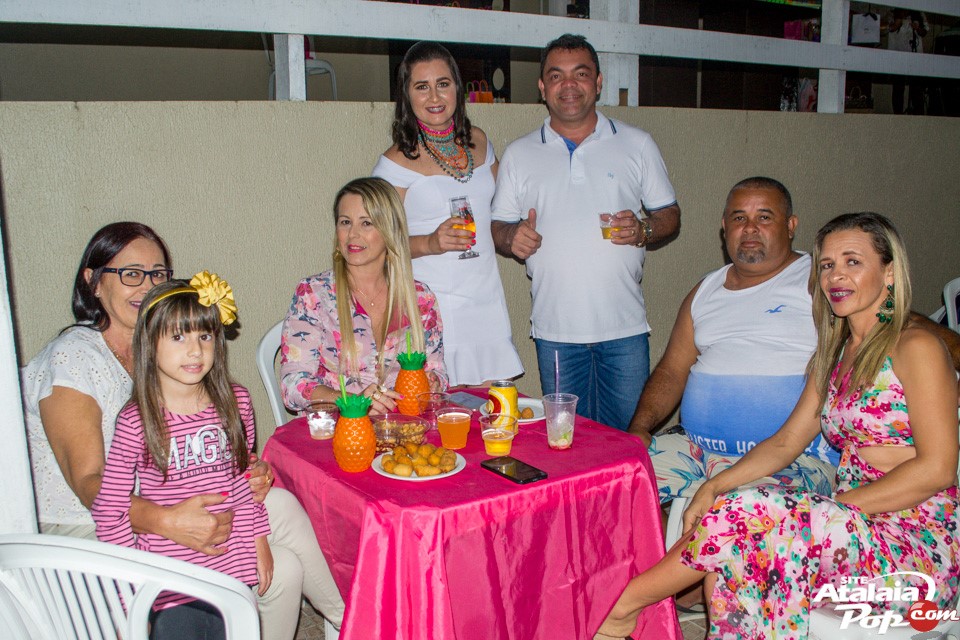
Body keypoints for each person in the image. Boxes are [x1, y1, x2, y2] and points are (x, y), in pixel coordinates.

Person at [600, 212, 960, 639]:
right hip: (850, 532)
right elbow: (786, 441)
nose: (835, 276)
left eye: (852, 261)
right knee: (740, 552)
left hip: (913, 549)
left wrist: (829, 509)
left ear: (890, 272)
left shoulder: (915, 346)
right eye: (827, 265)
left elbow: (937, 469)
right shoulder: (835, 356)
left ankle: (623, 606)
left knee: (754, 512)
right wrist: (713, 486)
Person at [21, 222, 343, 640]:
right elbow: (91, 485)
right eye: (131, 273)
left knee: (281, 536)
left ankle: (349, 621)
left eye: (157, 273)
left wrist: (248, 471)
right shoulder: (74, 358)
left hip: (176, 497)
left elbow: (209, 449)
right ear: (93, 282)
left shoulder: (182, 366)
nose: (146, 285)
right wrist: (166, 520)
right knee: (277, 550)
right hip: (84, 527)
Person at [491, 33, 680, 430]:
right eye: (556, 76)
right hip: (555, 332)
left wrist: (643, 228)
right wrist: (511, 238)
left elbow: (670, 215)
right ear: (542, 87)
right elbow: (498, 227)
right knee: (569, 443)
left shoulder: (637, 144)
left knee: (627, 439)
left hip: (625, 330)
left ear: (598, 82)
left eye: (580, 74)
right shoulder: (520, 153)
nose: (569, 85)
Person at [628, 177, 838, 503]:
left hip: (794, 460)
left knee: (740, 510)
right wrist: (639, 429)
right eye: (739, 217)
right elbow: (671, 371)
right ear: (725, 227)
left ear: (791, 226)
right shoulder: (705, 291)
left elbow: (887, 323)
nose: (750, 228)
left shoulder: (819, 279)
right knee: (612, 481)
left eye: (764, 217)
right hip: (697, 451)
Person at [93, 274, 271, 638]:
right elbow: (110, 510)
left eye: (204, 336)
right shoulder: (135, 422)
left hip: (232, 576)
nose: (195, 351)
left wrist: (260, 543)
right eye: (178, 337)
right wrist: (130, 595)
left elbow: (244, 485)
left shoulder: (236, 403)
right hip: (170, 587)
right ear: (150, 343)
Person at [372, 41, 523, 387]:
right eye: (421, 87)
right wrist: (430, 242)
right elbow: (375, 244)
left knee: (497, 412)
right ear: (406, 96)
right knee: (445, 411)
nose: (434, 96)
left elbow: (504, 209)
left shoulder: (479, 141)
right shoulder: (393, 163)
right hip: (435, 308)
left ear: (457, 87)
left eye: (443, 83)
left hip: (486, 301)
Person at [280, 176, 447, 415]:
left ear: (391, 231)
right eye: (345, 222)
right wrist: (353, 402)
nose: (353, 234)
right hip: (337, 430)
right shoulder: (313, 294)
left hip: (405, 427)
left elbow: (437, 370)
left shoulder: (420, 298)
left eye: (366, 223)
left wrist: (433, 382)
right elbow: (293, 385)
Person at [886, 9, 929, 115]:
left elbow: (925, 31)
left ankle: (917, 116)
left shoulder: (919, 13)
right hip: (898, 58)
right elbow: (885, 28)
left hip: (915, 58)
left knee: (916, 89)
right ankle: (898, 116)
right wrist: (897, 23)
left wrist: (917, 28)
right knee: (898, 88)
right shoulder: (892, 13)